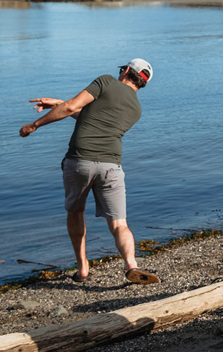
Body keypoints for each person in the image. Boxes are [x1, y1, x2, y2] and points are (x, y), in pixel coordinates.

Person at [19, 59, 160, 285]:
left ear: (125, 71)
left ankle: (83, 267)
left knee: (76, 212)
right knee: (119, 224)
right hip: (111, 166)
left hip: (80, 161)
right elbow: (91, 116)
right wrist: (58, 103)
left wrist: (33, 125)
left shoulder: (105, 81)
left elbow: (72, 108)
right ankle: (132, 265)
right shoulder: (136, 109)